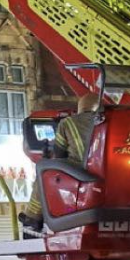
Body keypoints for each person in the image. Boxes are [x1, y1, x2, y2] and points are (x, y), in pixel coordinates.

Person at [19, 92, 101, 233]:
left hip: (79, 171)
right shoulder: (105, 122)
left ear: (81, 107)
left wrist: (47, 155)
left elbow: (59, 153)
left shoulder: (68, 122)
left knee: (43, 170)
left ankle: (33, 216)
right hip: (102, 169)